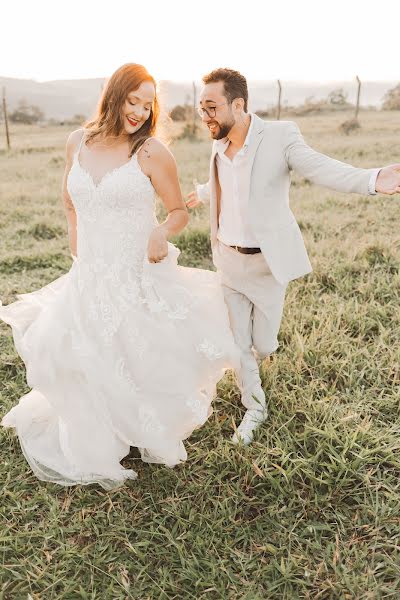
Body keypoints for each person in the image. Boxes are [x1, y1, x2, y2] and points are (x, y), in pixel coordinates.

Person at [0, 63, 239, 490]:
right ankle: (101, 423)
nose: (140, 112)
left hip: (136, 272)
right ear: (114, 96)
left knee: (140, 350)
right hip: (90, 273)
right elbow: (69, 201)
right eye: (134, 101)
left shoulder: (150, 152)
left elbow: (179, 211)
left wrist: (161, 231)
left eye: (148, 105)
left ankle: (139, 418)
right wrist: (77, 246)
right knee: (87, 351)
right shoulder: (77, 141)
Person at [187, 68, 400, 445]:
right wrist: (201, 193)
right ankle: (255, 407)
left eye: (211, 107)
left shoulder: (280, 136)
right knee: (239, 343)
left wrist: (371, 178)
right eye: (201, 108)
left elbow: (322, 168)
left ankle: (257, 357)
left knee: (264, 344)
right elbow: (226, 184)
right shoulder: (218, 141)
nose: (205, 116)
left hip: (267, 264)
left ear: (238, 105)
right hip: (228, 262)